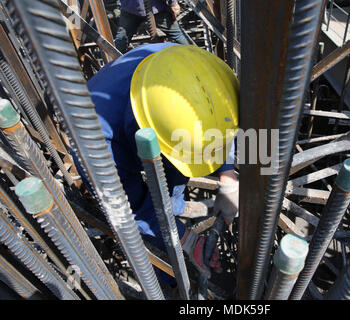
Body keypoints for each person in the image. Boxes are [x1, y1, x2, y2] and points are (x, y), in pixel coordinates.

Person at [76, 43, 239, 283]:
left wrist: (228, 175)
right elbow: (130, 208)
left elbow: (219, 120)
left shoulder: (184, 64)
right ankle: (170, 273)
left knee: (181, 162)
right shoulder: (94, 146)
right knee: (157, 237)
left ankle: (174, 206)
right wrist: (186, 240)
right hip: (107, 136)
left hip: (158, 124)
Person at [114, 0, 191, 53]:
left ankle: (194, 54)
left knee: (179, 36)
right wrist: (173, 3)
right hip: (133, 9)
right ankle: (195, 55)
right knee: (121, 42)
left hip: (152, 9)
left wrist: (173, 3)